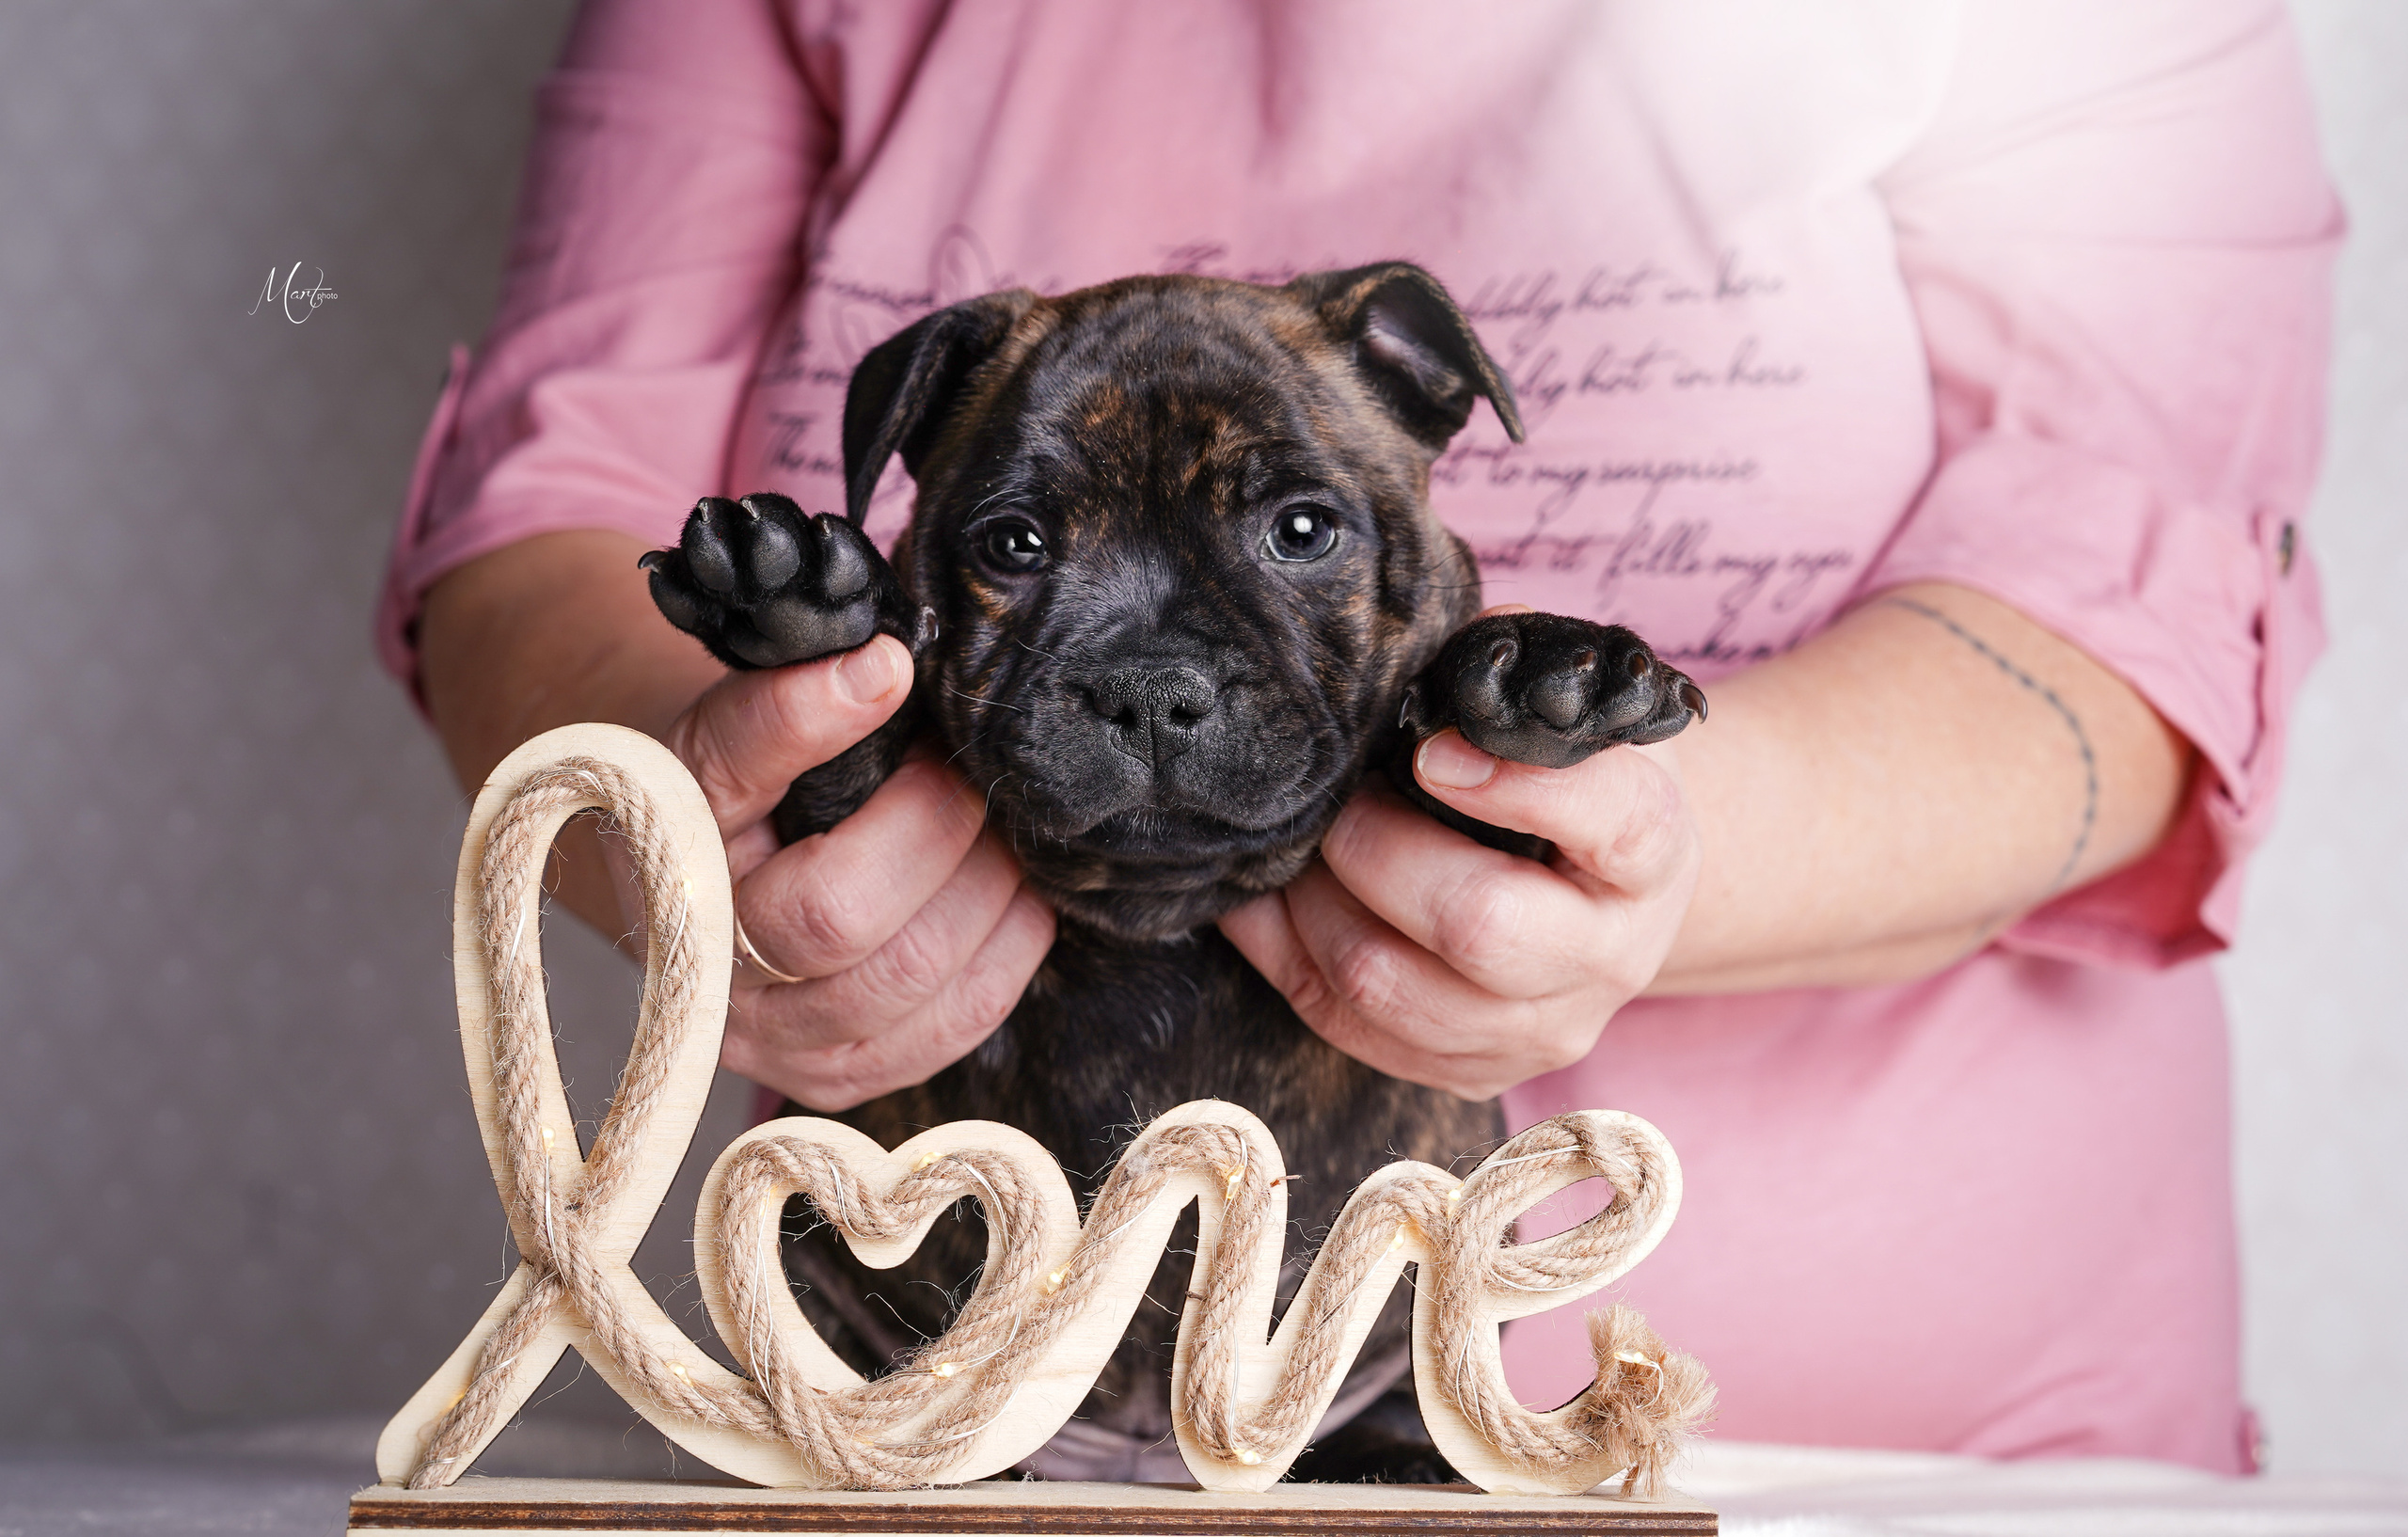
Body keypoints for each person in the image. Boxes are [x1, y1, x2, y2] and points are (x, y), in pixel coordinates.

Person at [383, 0, 2339, 1472]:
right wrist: (702, 811)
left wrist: (1613, 838)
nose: (1157, 675)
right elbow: (555, 501)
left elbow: (2136, 591)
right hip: (930, 1393)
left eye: (1299, 533)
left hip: (1891, 1442)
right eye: (1024, 547)